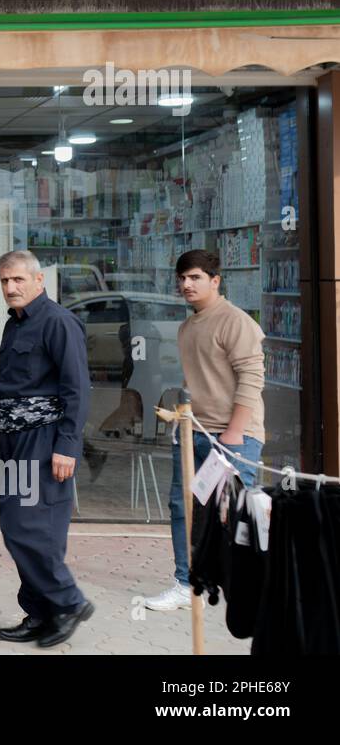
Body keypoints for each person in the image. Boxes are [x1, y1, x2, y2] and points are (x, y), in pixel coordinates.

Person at [0, 250, 94, 648]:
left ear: (38, 281)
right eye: (5, 281)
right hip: (13, 440)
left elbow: (77, 390)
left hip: (44, 441)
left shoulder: (58, 322)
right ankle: (42, 612)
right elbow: (3, 384)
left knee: (28, 526)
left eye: (18, 280)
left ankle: (69, 602)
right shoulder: (15, 325)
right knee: (22, 526)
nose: (10, 287)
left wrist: (67, 447)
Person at [144, 249, 265, 612]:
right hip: (193, 432)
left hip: (233, 437)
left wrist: (233, 434)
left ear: (215, 280)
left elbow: (252, 379)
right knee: (185, 510)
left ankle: (249, 587)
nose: (186, 284)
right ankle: (187, 583)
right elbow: (197, 381)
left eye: (195, 277)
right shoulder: (187, 326)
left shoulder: (236, 321)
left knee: (234, 513)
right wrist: (181, 418)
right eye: (182, 278)